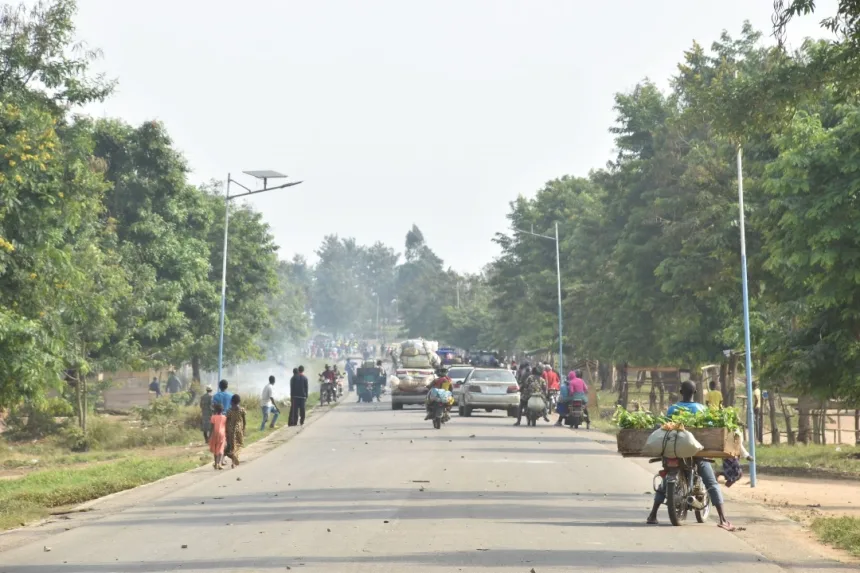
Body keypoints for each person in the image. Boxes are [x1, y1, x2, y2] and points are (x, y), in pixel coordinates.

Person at [646, 381, 735, 531]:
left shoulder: (673, 409)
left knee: (665, 478)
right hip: (696, 453)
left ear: (681, 392)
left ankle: (653, 514)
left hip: (673, 451)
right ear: (695, 393)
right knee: (711, 483)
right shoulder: (701, 409)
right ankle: (723, 519)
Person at [224, 394, 246, 468]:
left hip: (231, 429)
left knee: (233, 445)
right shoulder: (241, 410)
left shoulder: (229, 410)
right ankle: (234, 455)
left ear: (232, 401)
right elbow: (244, 421)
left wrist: (226, 430)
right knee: (240, 444)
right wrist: (244, 429)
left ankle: (233, 463)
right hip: (239, 429)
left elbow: (227, 421)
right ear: (239, 401)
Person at [208, 402, 227, 470]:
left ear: (215, 410)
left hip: (214, 434)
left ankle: (215, 463)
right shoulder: (224, 417)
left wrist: (209, 436)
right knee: (221, 448)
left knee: (216, 449)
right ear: (222, 410)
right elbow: (226, 427)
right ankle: (219, 464)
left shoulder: (213, 417)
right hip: (222, 434)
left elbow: (211, 427)